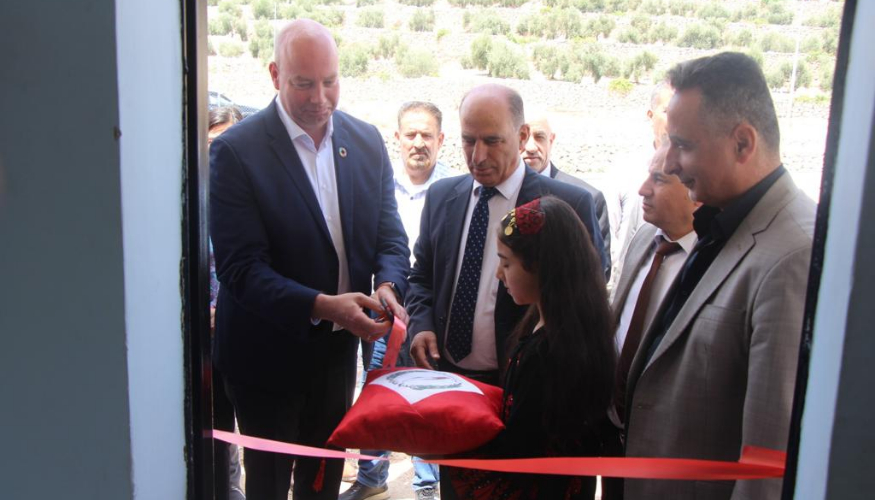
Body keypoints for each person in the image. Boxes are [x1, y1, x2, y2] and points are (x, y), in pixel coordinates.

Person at [209, 19, 410, 500]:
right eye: (304, 83)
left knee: (322, 480)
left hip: (336, 356)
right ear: (276, 75)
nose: (320, 97)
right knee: (270, 486)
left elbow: (390, 237)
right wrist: (323, 305)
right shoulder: (237, 152)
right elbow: (241, 270)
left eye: (330, 81)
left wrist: (387, 283)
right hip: (264, 357)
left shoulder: (365, 142)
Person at [623, 52, 816, 499]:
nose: (669, 163)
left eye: (684, 146)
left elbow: (767, 466)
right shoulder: (723, 222)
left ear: (743, 144)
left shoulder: (793, 257)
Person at [406, 83, 605, 497]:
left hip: (530, 404)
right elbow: (421, 275)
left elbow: (581, 297)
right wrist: (421, 325)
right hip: (454, 388)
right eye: (467, 140)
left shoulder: (566, 204)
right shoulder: (443, 196)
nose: (477, 156)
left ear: (521, 135)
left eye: (491, 141)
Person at [444, 196, 618, 499]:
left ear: (541, 267)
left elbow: (519, 446)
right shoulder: (563, 323)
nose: (499, 274)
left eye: (507, 262)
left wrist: (446, 443)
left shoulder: (549, 353)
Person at [342, 101, 451, 500]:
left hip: (428, 321)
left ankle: (426, 486)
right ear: (397, 138)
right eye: (411, 134)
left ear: (441, 140)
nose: (418, 143)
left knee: (425, 398)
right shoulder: (376, 190)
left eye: (427, 135)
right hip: (382, 320)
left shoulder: (452, 193)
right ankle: (371, 477)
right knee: (376, 396)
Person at [609, 142, 699, 428]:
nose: (642, 189)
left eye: (658, 179)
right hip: (610, 422)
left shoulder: (711, 261)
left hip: (663, 432)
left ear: (696, 193)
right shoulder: (645, 237)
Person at [208, 105, 246, 500]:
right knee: (215, 425)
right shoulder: (187, 199)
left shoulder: (251, 198)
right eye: (211, 144)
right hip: (202, 336)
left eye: (226, 144)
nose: (218, 153)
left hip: (244, 332)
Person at [521, 112, 611, 277]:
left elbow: (598, 272)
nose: (531, 147)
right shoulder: (492, 194)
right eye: (524, 137)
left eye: (539, 137)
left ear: (551, 139)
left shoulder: (585, 199)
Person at [609, 82, 675, 292]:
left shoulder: (695, 174)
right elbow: (610, 234)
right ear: (650, 114)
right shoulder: (624, 169)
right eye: (666, 111)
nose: (673, 119)